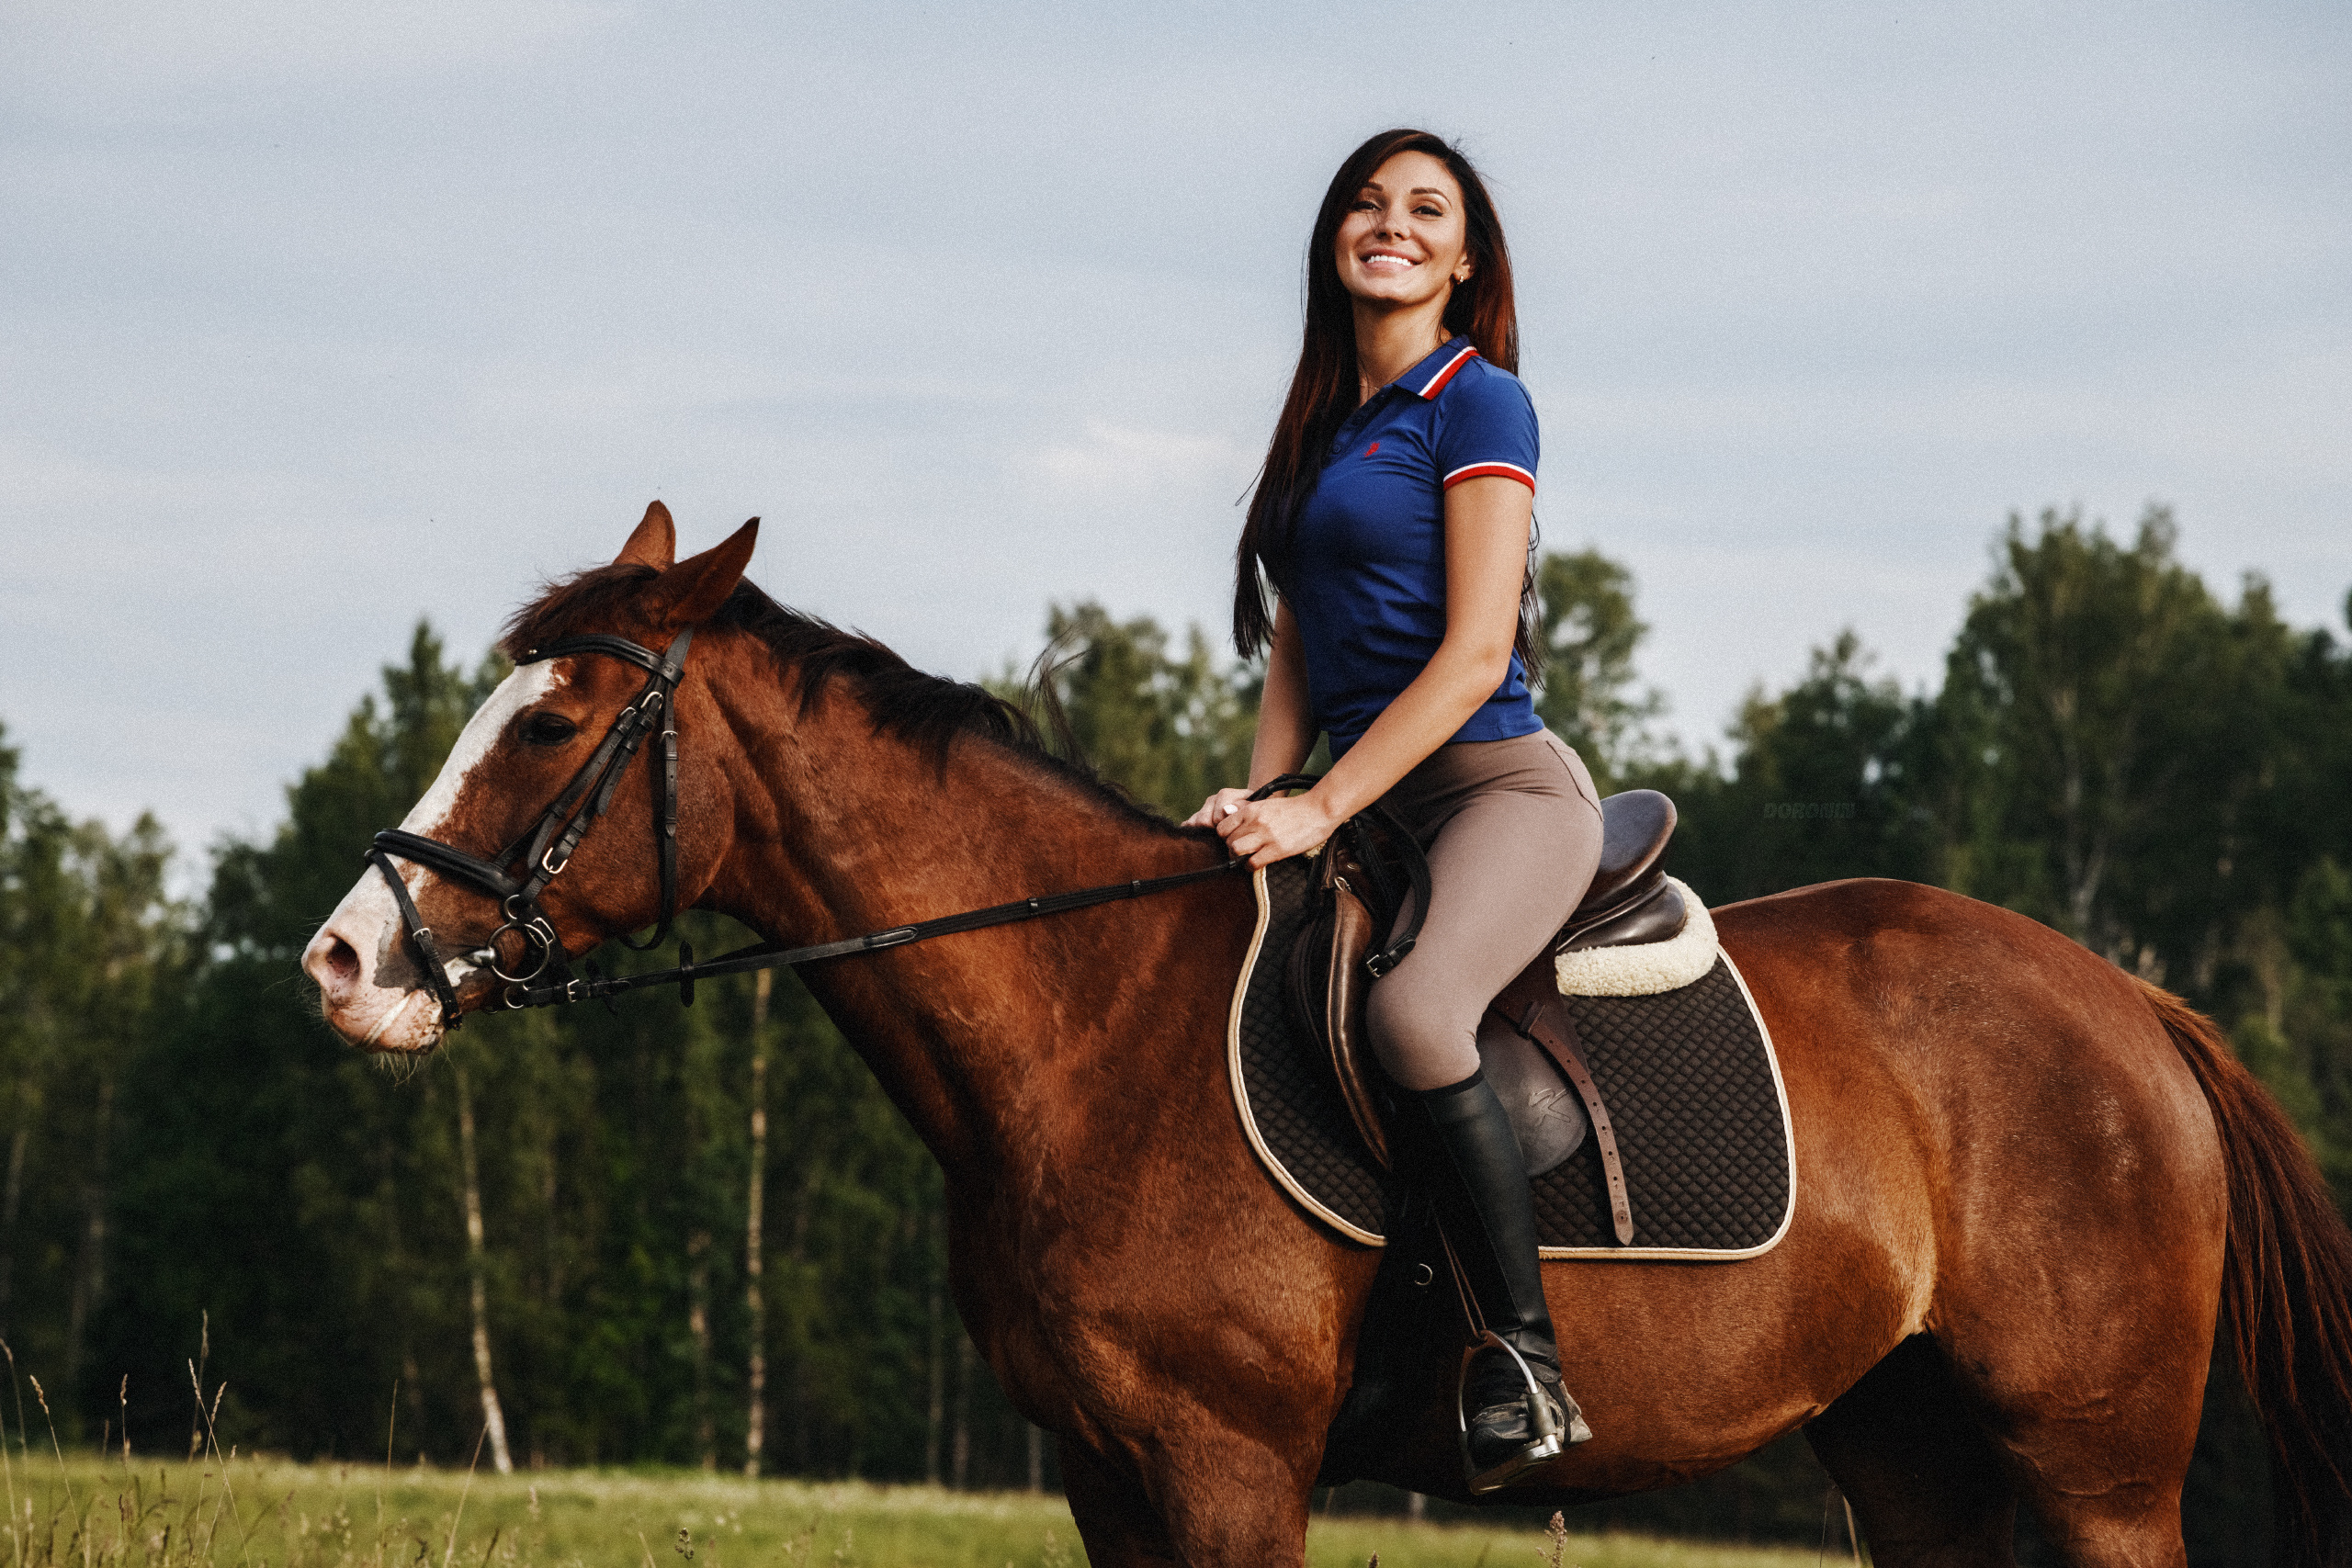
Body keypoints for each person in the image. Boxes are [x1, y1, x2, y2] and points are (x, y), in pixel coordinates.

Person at [1184, 128, 1606, 1490]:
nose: (1393, 223)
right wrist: (1263, 793)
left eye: (1428, 209)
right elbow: (1299, 650)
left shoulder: (1479, 403)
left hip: (1497, 790)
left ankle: (1527, 1366)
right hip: (1360, 802)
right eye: (1368, 203)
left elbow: (1476, 656)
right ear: (1333, 238)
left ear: (1465, 256)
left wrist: (1319, 807)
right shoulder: (1324, 426)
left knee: (1415, 1014)